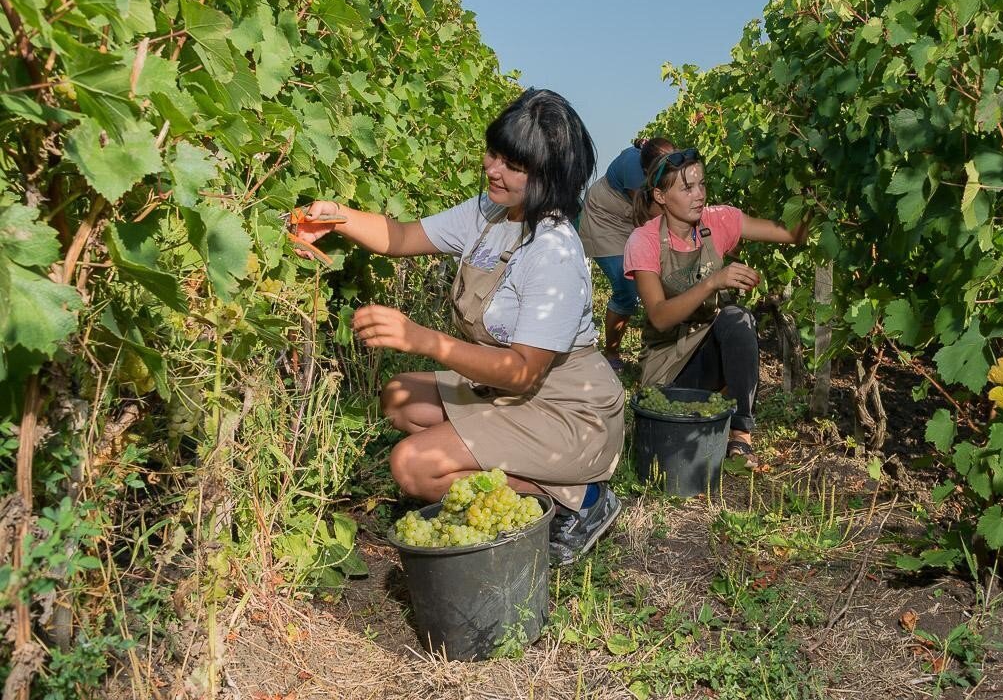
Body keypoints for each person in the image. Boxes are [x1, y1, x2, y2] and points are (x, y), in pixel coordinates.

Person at [292, 88, 624, 565]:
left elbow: (523, 372)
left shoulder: (554, 251)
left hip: (567, 410)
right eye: (494, 153)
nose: (493, 169)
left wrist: (423, 340)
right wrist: (338, 217)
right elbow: (403, 236)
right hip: (512, 392)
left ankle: (580, 501)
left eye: (514, 164)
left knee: (413, 466)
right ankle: (529, 474)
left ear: (549, 176)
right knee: (400, 397)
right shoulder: (489, 214)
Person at [624, 148, 808, 468]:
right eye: (686, 188)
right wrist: (712, 282)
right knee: (727, 319)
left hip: (707, 351)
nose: (699, 196)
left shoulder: (719, 220)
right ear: (661, 196)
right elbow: (659, 316)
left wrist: (812, 193)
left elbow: (793, 233)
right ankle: (705, 408)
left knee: (737, 318)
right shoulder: (644, 240)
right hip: (669, 366)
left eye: (702, 185)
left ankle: (741, 436)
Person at [577, 137, 676, 372]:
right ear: (646, 170)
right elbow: (648, 215)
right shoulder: (635, 174)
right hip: (604, 219)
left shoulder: (670, 162)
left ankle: (656, 351)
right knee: (626, 288)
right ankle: (611, 353)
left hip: (631, 216)